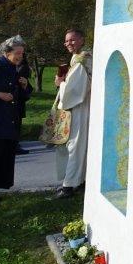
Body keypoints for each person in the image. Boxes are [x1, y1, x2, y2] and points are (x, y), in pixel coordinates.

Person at [54, 29, 93, 198]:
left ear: (82, 39)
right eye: (66, 41)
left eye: (72, 40)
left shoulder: (81, 60)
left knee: (75, 146)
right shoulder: (80, 57)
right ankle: (79, 181)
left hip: (78, 108)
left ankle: (68, 186)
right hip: (81, 107)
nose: (68, 43)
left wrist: (60, 83)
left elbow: (73, 92)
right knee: (80, 145)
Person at [0, 38, 32, 205]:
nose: (20, 56)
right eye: (17, 53)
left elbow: (23, 96)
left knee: (3, 158)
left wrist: (25, 86)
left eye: (22, 54)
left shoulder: (14, 69)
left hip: (9, 121)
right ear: (6, 52)